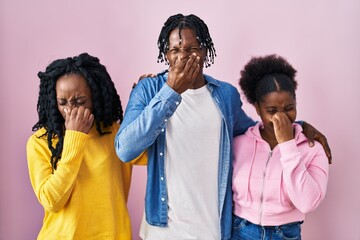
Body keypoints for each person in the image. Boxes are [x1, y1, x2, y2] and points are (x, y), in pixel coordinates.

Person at [114, 14, 330, 240]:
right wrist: (171, 91)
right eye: (175, 50)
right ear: (166, 54)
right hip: (163, 230)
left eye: (191, 49)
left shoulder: (225, 95)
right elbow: (124, 149)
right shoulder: (149, 90)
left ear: (205, 51)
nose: (182, 57)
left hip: (214, 229)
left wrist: (298, 126)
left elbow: (256, 130)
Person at [26, 53, 146, 240]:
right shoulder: (40, 142)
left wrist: (146, 103)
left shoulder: (116, 134)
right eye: (62, 103)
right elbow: (51, 200)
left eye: (80, 101)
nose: (70, 110)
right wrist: (75, 137)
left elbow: (155, 153)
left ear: (95, 97)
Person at [231, 54, 329, 240]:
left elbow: (308, 203)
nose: (281, 117)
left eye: (289, 108)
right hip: (240, 231)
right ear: (258, 108)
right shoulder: (238, 143)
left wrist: (287, 145)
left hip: (284, 234)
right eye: (272, 111)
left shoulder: (313, 148)